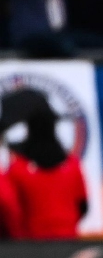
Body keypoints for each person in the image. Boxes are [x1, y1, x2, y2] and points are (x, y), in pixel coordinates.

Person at [1, 88, 87, 240]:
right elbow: (83, 206)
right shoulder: (72, 166)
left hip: (30, 243)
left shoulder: (18, 170)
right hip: (68, 239)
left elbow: (10, 207)